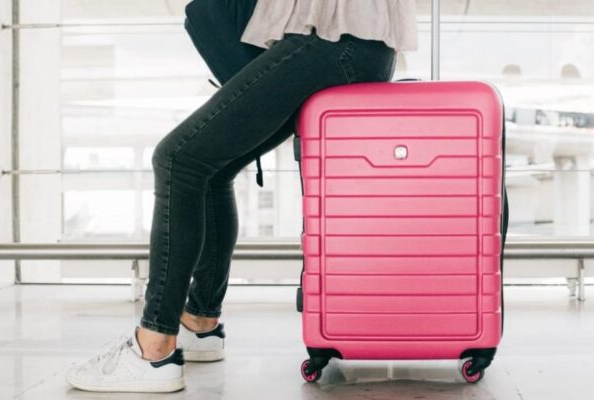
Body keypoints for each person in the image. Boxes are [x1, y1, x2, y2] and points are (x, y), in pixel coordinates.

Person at [66, 0, 417, 393]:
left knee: (177, 159)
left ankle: (154, 346)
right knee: (213, 168)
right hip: (356, 45)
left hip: (332, 40)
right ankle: (199, 322)